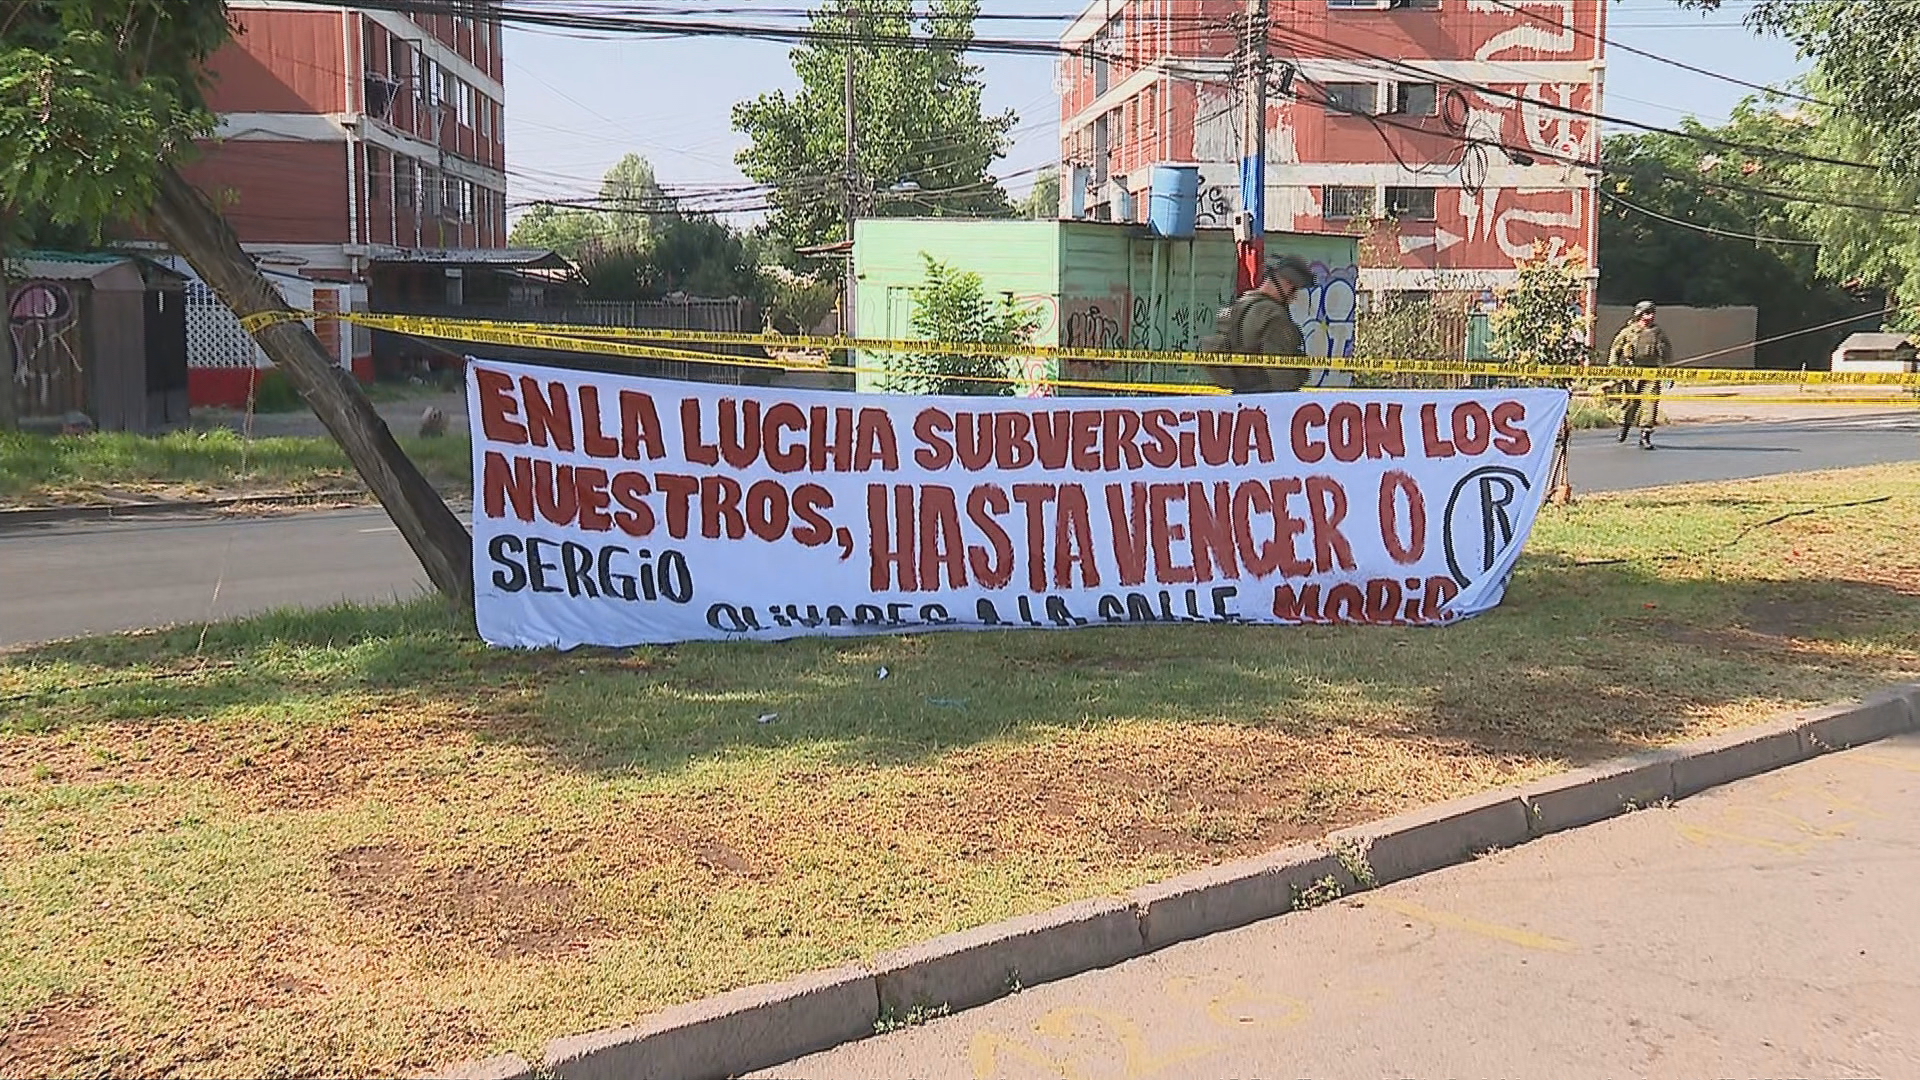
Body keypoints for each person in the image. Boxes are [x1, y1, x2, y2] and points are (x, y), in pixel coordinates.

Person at [1203, 252, 1316, 394]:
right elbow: (1280, 369)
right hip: (1267, 399)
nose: (1293, 298)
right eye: (1294, 291)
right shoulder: (1274, 316)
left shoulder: (1239, 306)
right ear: (1287, 284)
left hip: (1238, 396)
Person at [1607, 300, 1672, 449]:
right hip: (1632, 372)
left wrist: (1667, 372)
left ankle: (1645, 435)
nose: (1651, 316)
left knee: (1650, 404)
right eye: (1647, 313)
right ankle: (1624, 428)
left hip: (1651, 373)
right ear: (1640, 315)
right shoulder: (1628, 332)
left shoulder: (1658, 333)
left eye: (1652, 313)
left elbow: (1666, 353)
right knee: (1629, 404)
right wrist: (1614, 371)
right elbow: (1615, 351)